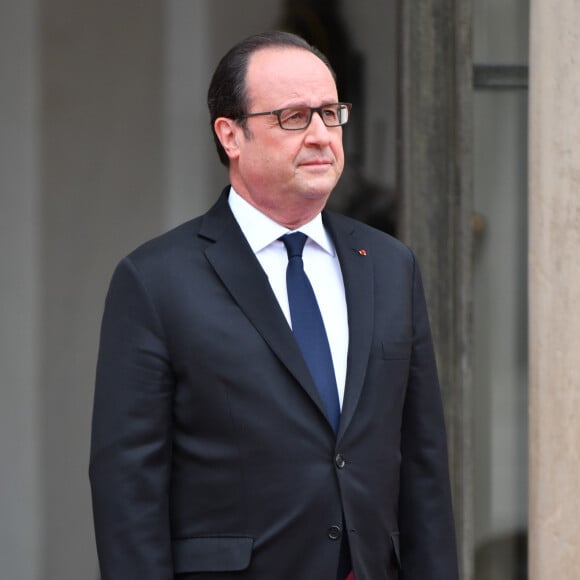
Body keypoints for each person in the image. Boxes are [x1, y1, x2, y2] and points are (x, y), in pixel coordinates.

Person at [89, 31, 459, 580]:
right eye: (293, 117)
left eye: (331, 114)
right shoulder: (155, 280)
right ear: (231, 135)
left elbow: (423, 466)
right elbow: (128, 486)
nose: (320, 136)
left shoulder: (389, 264)